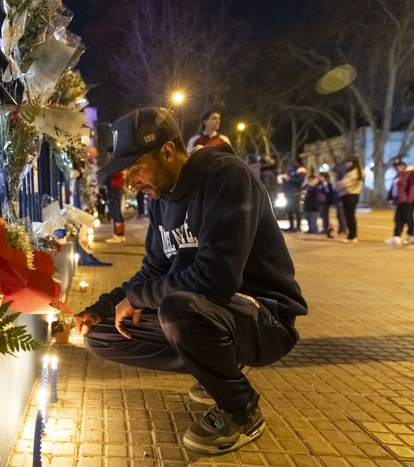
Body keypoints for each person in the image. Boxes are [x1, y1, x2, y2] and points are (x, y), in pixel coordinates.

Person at [74, 107, 307, 455]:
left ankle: (241, 411)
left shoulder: (226, 177)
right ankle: (213, 367)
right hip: (211, 313)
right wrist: (103, 306)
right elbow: (153, 270)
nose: (132, 181)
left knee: (178, 309)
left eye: (136, 168)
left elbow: (217, 278)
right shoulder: (161, 198)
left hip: (264, 318)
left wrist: (139, 298)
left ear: (168, 151)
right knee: (101, 334)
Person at [384, 161, 414, 246]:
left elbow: (412, 187)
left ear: (404, 166)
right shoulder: (399, 175)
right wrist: (391, 198)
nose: (398, 168)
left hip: (407, 201)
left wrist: (409, 199)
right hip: (399, 200)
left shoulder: (410, 174)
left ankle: (411, 235)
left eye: (400, 166)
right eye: (397, 166)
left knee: (408, 219)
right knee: (398, 218)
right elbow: (394, 187)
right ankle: (397, 236)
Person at [335, 157, 363, 243]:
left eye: (347, 162)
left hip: (349, 195)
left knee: (350, 216)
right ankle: (351, 235)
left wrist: (337, 185)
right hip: (352, 195)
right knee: (350, 216)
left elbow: (344, 183)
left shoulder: (353, 173)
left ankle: (352, 235)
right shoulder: (357, 172)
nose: (346, 164)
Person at [105, 150, 126, 243]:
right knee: (118, 212)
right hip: (119, 188)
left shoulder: (114, 163)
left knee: (115, 212)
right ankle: (121, 234)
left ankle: (117, 235)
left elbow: (108, 176)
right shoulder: (121, 162)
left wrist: (103, 183)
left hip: (114, 188)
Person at [283, 163, 307, 232]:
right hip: (288, 194)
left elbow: (300, 181)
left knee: (296, 211)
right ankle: (291, 226)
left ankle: (298, 227)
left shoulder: (300, 171)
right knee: (289, 210)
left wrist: (289, 179)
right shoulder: (290, 173)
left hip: (295, 194)